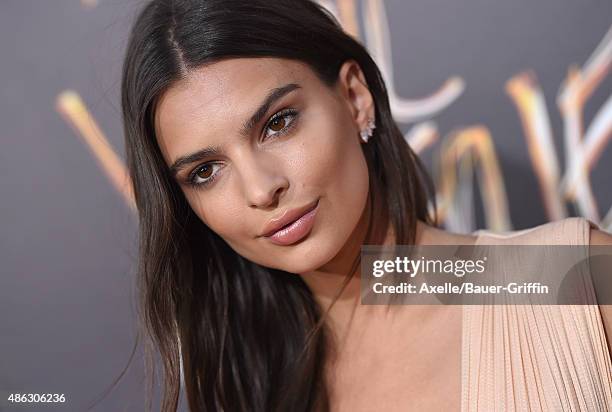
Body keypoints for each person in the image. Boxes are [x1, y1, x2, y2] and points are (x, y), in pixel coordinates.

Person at [119, 0, 612, 410]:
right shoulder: (252, 390)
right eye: (205, 171)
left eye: (277, 123)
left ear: (355, 98)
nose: (259, 189)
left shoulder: (577, 280)